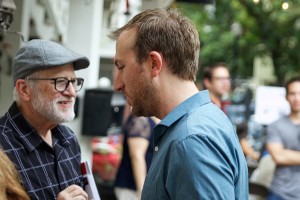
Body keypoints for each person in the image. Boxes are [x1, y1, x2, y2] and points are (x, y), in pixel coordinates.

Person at [109, 8, 248, 199]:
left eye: (122, 67)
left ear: (153, 64)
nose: (118, 85)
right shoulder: (200, 124)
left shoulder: (192, 140)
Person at [0, 39, 90, 200]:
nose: (72, 92)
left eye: (74, 82)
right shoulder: (3, 148)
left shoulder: (68, 139)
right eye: (60, 82)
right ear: (24, 89)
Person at [114, 103, 158, 200]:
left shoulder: (152, 118)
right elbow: (136, 155)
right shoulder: (140, 120)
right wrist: (142, 191)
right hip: (131, 188)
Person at [266, 76, 300, 200]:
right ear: (286, 97)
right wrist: (282, 154)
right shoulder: (276, 126)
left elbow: (282, 154)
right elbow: (278, 156)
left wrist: (288, 154)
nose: (297, 98)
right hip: (280, 193)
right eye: (293, 93)